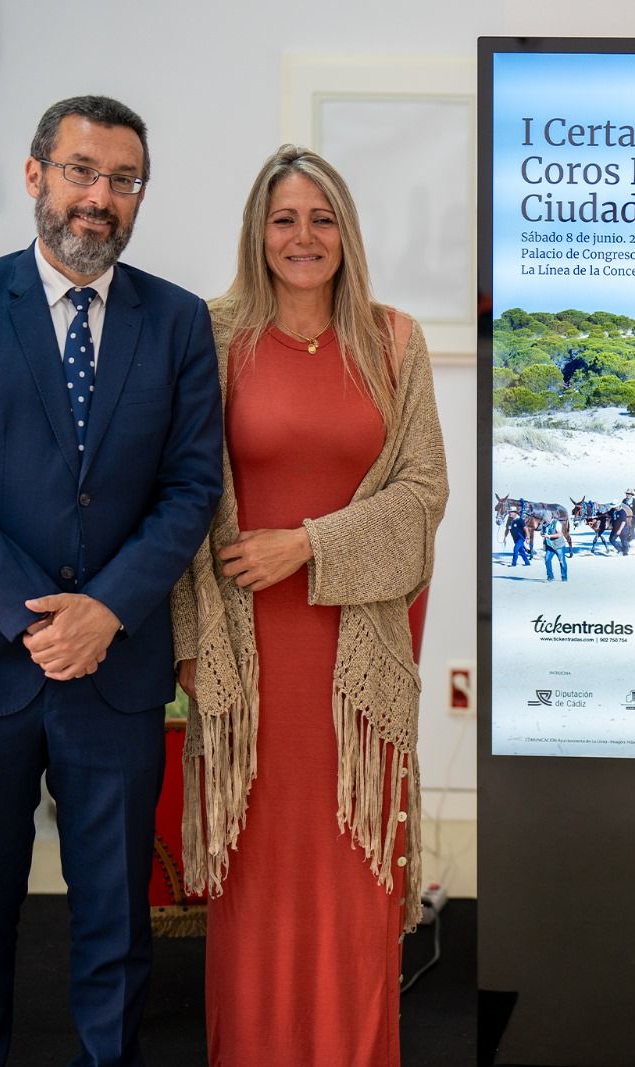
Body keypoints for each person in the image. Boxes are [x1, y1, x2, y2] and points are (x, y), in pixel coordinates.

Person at [0, 95, 223, 1065]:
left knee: (115, 931)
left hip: (114, 675)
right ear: (36, 175)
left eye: (123, 180)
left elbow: (190, 486)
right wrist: (38, 614)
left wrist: (106, 608)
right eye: (82, 170)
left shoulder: (179, 321)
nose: (100, 198)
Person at [171, 145, 448, 1066]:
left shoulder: (395, 341)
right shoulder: (208, 338)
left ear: (347, 232)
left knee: (354, 890)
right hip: (248, 670)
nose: (303, 237)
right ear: (258, 230)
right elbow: (177, 497)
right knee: (256, 898)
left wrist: (309, 545)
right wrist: (187, 646)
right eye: (284, 219)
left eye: (321, 219)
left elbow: (422, 495)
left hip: (356, 673)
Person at [541, 513, 570, 581]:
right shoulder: (544, 524)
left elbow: (559, 534)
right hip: (550, 545)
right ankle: (550, 577)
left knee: (562, 561)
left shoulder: (557, 523)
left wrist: (549, 536)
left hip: (559, 545)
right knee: (547, 559)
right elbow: (543, 532)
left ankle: (564, 577)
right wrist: (542, 534)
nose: (545, 520)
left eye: (546, 519)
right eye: (544, 519)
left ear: (550, 518)